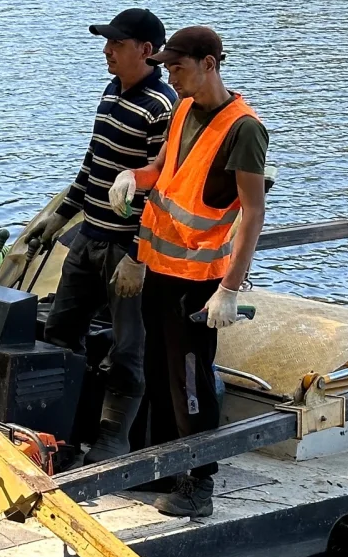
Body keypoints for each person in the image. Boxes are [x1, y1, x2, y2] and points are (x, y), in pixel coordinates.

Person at [109, 26, 268, 518]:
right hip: (161, 271)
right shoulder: (182, 110)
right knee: (159, 373)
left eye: (177, 67)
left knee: (191, 382)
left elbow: (253, 213)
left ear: (210, 64)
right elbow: (164, 170)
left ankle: (200, 484)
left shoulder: (243, 128)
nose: (170, 74)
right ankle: (163, 469)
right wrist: (133, 177)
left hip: (200, 283)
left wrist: (229, 289)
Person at [24, 9, 177, 464]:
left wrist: (137, 253)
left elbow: (160, 189)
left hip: (126, 247)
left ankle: (113, 438)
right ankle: (57, 432)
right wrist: (61, 217)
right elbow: (93, 164)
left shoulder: (162, 108)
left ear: (146, 51)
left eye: (117, 44)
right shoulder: (111, 94)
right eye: (106, 43)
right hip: (89, 236)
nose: (107, 51)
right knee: (59, 332)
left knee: (129, 346)